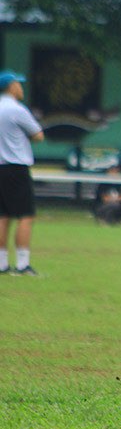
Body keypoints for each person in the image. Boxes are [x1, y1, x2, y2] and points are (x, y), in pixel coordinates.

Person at [0, 69, 44, 276]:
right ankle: (22, 264)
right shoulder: (17, 110)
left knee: (3, 216)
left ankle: (1, 264)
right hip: (16, 167)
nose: (21, 87)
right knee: (26, 215)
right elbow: (38, 135)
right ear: (11, 87)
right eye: (19, 83)